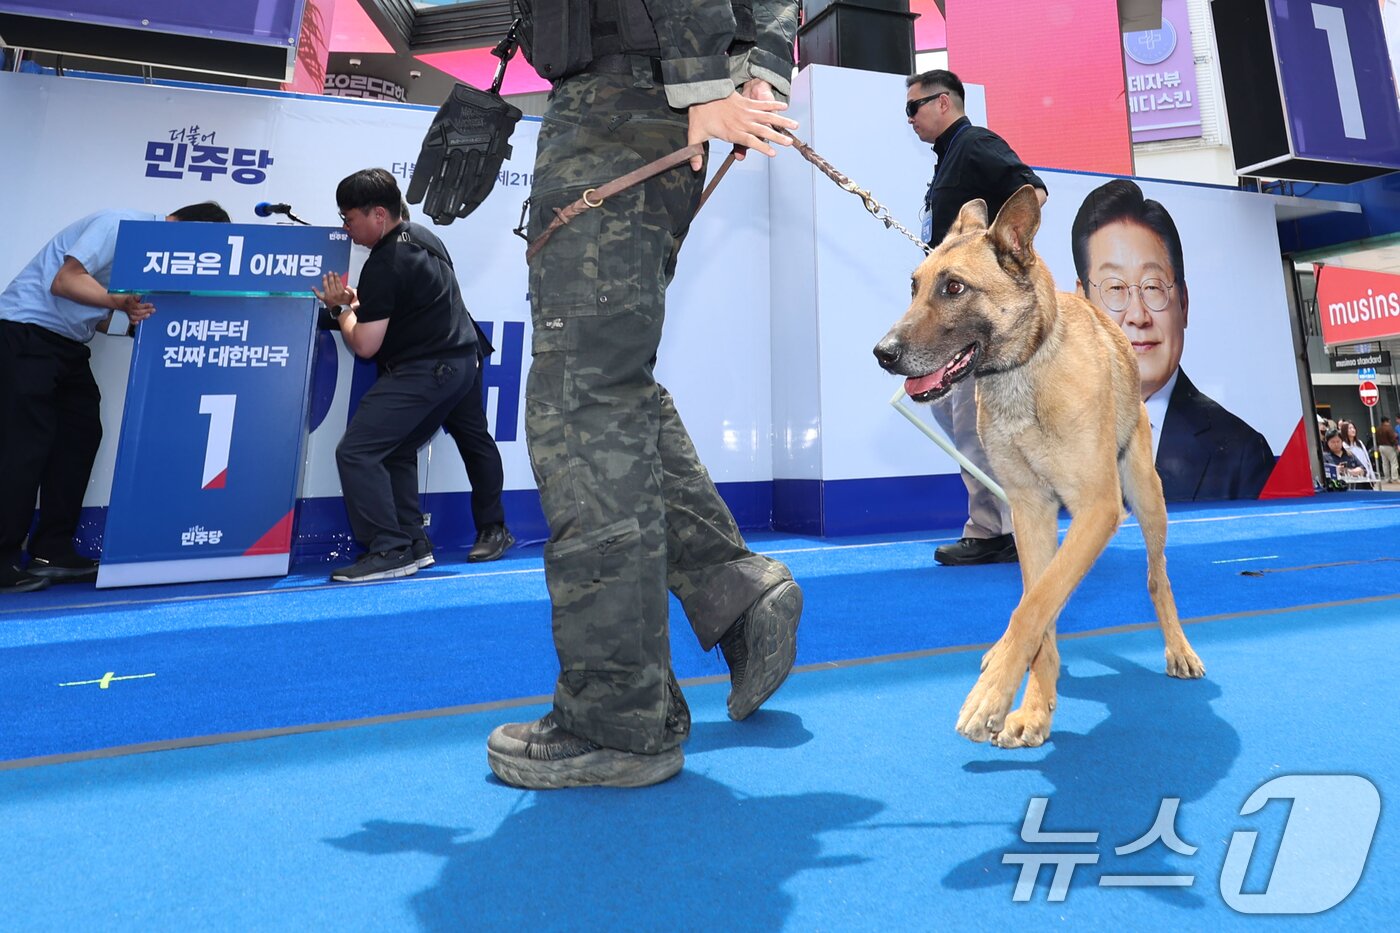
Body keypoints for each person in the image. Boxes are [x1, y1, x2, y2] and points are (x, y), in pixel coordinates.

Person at [487, 0, 805, 790]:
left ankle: (618, 720)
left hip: (622, 103)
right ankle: (733, 591)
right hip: (646, 101)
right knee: (610, 389)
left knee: (583, 408)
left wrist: (702, 83)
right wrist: (748, 72)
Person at [0, 201, 230, 594]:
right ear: (183, 226)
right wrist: (117, 302)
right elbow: (66, 281)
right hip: (26, 334)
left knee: (80, 437)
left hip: (67, 345)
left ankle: (52, 551)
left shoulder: (149, 253)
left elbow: (97, 312)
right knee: (23, 449)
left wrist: (137, 322)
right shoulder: (119, 224)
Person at [905, 69, 1047, 566]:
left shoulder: (976, 143)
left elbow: (1032, 191)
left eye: (913, 108)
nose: (910, 120)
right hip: (944, 312)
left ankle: (1003, 529)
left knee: (973, 422)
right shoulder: (948, 160)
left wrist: (991, 255)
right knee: (953, 414)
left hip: (972, 316)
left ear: (944, 102)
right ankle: (994, 524)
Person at [314, 168, 483, 583]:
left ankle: (387, 547)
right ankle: (413, 543)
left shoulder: (385, 260)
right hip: (459, 368)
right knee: (396, 451)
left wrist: (341, 310)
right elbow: (413, 303)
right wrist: (364, 305)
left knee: (356, 451)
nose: (345, 227)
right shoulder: (424, 237)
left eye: (348, 218)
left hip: (426, 370)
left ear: (377, 215)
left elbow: (366, 345)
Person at [1072, 178, 1275, 501]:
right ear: (1082, 305)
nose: (1138, 315)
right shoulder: (1049, 439)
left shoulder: (1243, 453)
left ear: (1183, 303)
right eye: (1114, 288)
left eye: (1153, 286)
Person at [398, 200, 513, 564]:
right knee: (402, 442)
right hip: (434, 357)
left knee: (470, 437)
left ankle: (493, 528)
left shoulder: (413, 241)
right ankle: (412, 536)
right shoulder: (404, 243)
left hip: (451, 356)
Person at [1338, 420, 1377, 486]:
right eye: (1350, 428)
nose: (1353, 430)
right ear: (1344, 431)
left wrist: (1372, 475)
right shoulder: (1344, 445)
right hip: (1353, 477)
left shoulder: (1359, 443)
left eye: (1353, 428)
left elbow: (1367, 460)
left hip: (1365, 474)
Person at [1376, 415, 1398, 483]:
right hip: (1388, 447)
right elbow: (1392, 438)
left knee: (1385, 463)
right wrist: (1396, 445)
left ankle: (1387, 478)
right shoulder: (1388, 428)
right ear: (1387, 421)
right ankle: (1394, 478)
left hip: (1381, 447)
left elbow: (1376, 438)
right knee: (1393, 463)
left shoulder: (1378, 428)